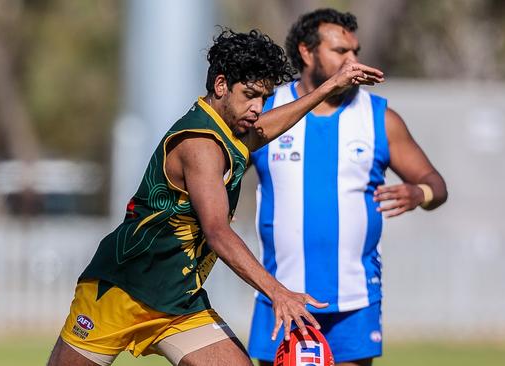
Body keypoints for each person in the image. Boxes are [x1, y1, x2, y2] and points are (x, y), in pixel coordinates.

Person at [47, 28, 383, 366]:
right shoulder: (201, 145)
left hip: (179, 302)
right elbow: (217, 231)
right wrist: (278, 292)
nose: (256, 108)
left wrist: (325, 88)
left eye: (263, 98)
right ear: (221, 85)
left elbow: (266, 128)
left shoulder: (229, 128)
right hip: (120, 292)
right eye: (250, 95)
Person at [247, 9, 448, 366]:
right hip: (279, 294)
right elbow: (220, 169)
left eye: (355, 51)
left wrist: (420, 193)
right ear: (307, 52)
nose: (353, 60)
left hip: (355, 300)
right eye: (341, 51)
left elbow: (436, 184)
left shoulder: (379, 118)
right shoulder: (268, 112)